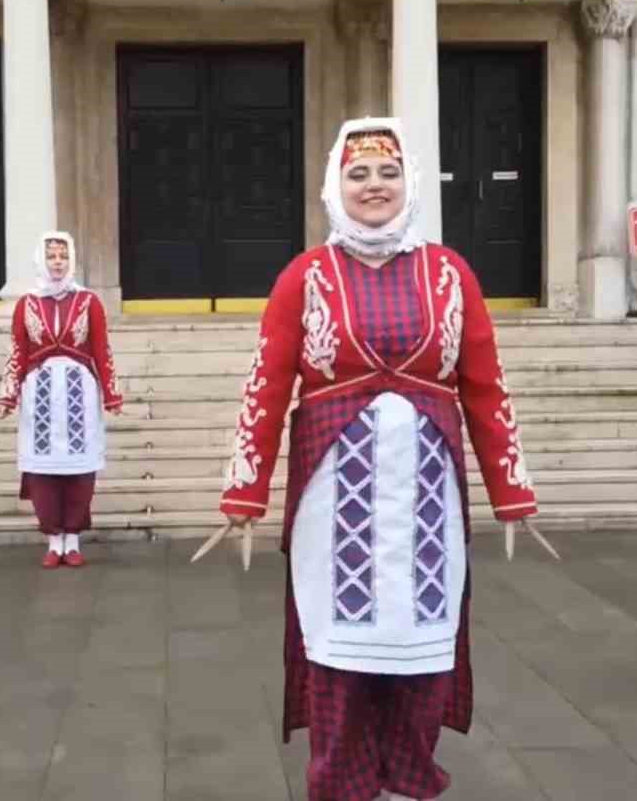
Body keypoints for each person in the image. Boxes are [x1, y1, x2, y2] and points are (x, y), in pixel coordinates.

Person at [217, 118, 537, 801]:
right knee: (339, 650)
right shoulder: (304, 275)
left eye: (388, 173)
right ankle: (342, 785)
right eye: (358, 174)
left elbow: (484, 383)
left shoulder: (450, 272)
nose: (374, 186)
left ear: (410, 183)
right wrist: (244, 492)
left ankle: (408, 780)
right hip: (335, 497)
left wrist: (511, 488)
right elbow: (267, 384)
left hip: (428, 492)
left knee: (423, 643)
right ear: (336, 186)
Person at [0, 231, 123, 568]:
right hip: (39, 395)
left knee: (80, 470)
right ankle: (54, 540)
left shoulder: (89, 301)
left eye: (63, 257)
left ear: (72, 260)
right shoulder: (27, 303)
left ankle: (73, 539)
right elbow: (17, 351)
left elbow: (101, 350)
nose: (57, 263)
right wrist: (8, 395)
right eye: (51, 257)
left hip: (79, 392)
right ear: (41, 259)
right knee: (43, 471)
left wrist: (112, 394)